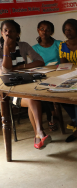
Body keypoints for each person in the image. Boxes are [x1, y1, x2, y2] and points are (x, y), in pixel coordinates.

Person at [0, 20, 50, 149]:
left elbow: (40, 61)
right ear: (1, 33)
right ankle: (39, 132)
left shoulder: (23, 45)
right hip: (10, 91)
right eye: (5, 30)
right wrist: (6, 47)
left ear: (17, 34)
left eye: (11, 31)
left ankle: (38, 135)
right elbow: (6, 70)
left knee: (32, 97)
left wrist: (21, 66)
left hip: (27, 84)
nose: (8, 33)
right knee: (32, 97)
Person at [32, 20, 62, 132]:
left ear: (52, 32)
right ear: (38, 30)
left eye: (47, 29)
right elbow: (35, 65)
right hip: (44, 76)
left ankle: (53, 115)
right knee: (42, 89)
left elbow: (65, 61)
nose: (44, 32)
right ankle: (53, 114)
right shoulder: (34, 48)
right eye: (42, 29)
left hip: (60, 74)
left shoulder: (59, 44)